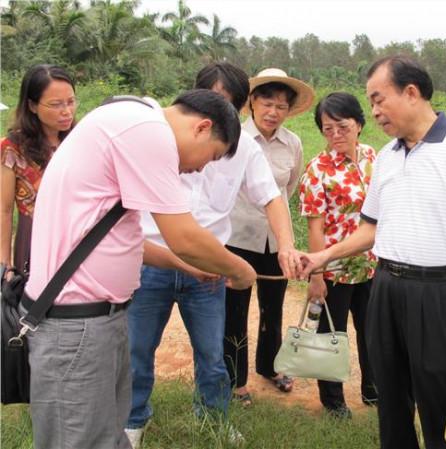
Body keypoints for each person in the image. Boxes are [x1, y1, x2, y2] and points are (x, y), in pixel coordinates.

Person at [300, 55, 446, 449]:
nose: (374, 111)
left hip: (440, 292)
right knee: (390, 396)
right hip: (385, 286)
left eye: (378, 99)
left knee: (441, 401)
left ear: (411, 92)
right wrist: (323, 257)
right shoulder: (386, 157)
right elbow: (370, 229)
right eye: (370, 102)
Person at [22, 89, 257, 449]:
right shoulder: (148, 131)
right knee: (77, 439)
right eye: (209, 158)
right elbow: (185, 237)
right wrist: (241, 271)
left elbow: (123, 241)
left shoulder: (131, 122)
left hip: (93, 320)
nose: (197, 169)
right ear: (201, 127)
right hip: (75, 325)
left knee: (106, 435)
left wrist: (185, 267)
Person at [125, 62, 303, 447]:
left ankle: (213, 419)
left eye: (231, 106)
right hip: (151, 264)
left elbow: (272, 197)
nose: (221, 114)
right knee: (137, 350)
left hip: (206, 270)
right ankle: (133, 421)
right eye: (215, 102)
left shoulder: (244, 151)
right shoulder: (156, 137)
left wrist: (286, 243)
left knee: (213, 353)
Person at [224, 68, 315, 401]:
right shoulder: (234, 137)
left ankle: (270, 366)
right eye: (267, 103)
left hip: (277, 241)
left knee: (273, 308)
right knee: (234, 310)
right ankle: (236, 381)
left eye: (281, 106)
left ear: (289, 111)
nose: (273, 112)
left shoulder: (293, 144)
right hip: (237, 238)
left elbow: (287, 189)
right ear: (251, 103)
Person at [298, 92, 378, 418]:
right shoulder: (318, 170)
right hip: (335, 269)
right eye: (327, 129)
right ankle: (333, 402)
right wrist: (316, 275)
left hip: (373, 266)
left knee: (373, 332)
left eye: (342, 127)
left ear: (358, 124)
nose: (335, 136)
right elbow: (315, 229)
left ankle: (374, 390)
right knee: (330, 335)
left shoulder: (374, 157)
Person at [1, 64, 77, 277]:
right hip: (35, 238)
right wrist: (4, 264)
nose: (66, 111)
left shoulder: (81, 140)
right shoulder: (12, 148)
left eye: (71, 102)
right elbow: (4, 210)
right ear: (32, 106)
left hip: (80, 239)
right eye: (55, 104)